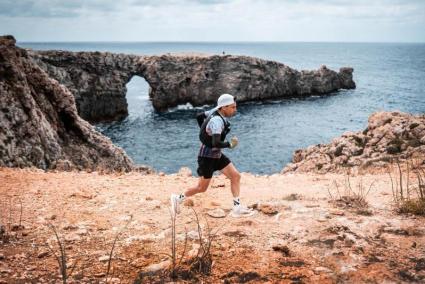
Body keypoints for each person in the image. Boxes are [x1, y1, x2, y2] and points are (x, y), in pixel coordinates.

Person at [170, 93, 255, 217]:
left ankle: (237, 208)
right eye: (232, 107)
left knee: (235, 176)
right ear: (224, 107)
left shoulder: (215, 110)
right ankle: (177, 198)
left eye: (235, 107)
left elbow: (199, 116)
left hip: (216, 155)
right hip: (206, 158)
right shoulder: (216, 121)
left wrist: (205, 133)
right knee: (201, 188)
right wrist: (230, 144)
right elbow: (216, 143)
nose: (235, 110)